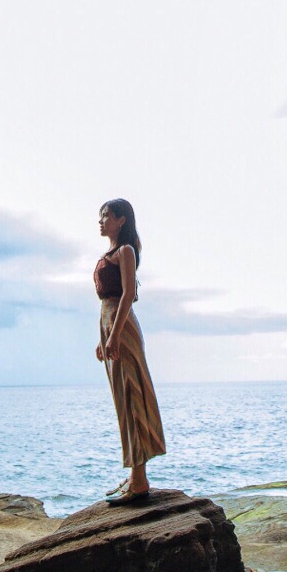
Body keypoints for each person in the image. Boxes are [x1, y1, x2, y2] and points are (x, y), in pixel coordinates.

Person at [94, 197, 165, 502]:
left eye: (106, 216)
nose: (101, 221)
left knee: (132, 396)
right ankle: (135, 474)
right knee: (123, 400)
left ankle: (139, 481)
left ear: (121, 220)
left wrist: (114, 335)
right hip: (111, 324)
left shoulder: (125, 251)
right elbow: (109, 302)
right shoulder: (110, 252)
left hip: (121, 327)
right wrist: (104, 336)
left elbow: (128, 295)